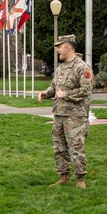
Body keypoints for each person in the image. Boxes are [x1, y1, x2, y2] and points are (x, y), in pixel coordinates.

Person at [38, 35, 92, 188]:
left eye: (59, 46)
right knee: (59, 147)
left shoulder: (82, 68)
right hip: (59, 114)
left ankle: (80, 179)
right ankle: (64, 176)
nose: (57, 50)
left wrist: (66, 94)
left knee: (75, 147)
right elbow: (54, 87)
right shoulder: (60, 68)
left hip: (75, 116)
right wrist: (45, 93)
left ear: (67, 47)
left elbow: (86, 90)